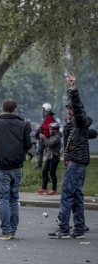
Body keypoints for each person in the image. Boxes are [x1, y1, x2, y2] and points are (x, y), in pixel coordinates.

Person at [50, 73, 97, 239]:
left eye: (70, 109)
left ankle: (63, 228)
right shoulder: (74, 126)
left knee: (67, 195)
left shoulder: (79, 120)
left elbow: (77, 107)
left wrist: (72, 88)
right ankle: (78, 228)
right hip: (76, 161)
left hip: (76, 162)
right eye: (68, 108)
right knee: (76, 195)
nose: (68, 111)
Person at [0, 98, 32, 240]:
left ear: (2, 108)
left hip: (2, 165)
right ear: (15, 110)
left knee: (4, 199)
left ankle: (5, 230)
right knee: (14, 198)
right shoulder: (23, 125)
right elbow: (28, 145)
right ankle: (13, 229)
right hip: (17, 166)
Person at [36, 122, 62, 195]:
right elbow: (47, 143)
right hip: (49, 157)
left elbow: (50, 144)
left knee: (52, 173)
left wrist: (44, 138)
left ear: (55, 130)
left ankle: (54, 189)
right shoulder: (51, 136)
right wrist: (42, 138)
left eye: (51, 129)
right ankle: (44, 188)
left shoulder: (57, 137)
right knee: (44, 172)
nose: (49, 130)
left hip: (54, 157)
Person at [33, 103, 55, 170]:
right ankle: (39, 164)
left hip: (46, 137)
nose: (42, 111)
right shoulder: (45, 116)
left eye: (43, 109)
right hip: (43, 136)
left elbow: (49, 127)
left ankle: (47, 165)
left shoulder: (49, 117)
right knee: (40, 151)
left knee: (47, 151)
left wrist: (41, 126)